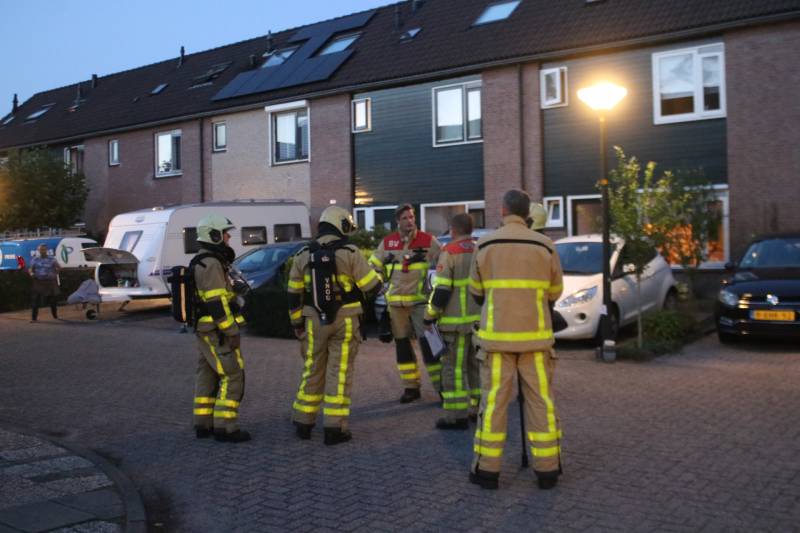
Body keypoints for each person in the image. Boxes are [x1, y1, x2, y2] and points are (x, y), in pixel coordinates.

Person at [468, 189, 564, 491]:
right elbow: (555, 292)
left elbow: (476, 292)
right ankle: (547, 471)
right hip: (536, 341)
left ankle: (487, 472)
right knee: (541, 403)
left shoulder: (485, 244)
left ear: (503, 210)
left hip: (497, 343)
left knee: (494, 404)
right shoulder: (546, 246)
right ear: (527, 213)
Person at [287, 206, 381, 445]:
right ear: (340, 224)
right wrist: (379, 275)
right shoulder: (350, 252)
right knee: (338, 374)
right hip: (346, 319)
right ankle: (334, 427)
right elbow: (372, 287)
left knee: (312, 369)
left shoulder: (302, 254)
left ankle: (303, 422)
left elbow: (292, 294)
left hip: (312, 320)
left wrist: (296, 322)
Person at [369, 204, 442, 403]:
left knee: (431, 347)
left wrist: (439, 287)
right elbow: (372, 265)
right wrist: (378, 282)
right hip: (396, 307)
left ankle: (443, 388)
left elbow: (445, 262)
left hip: (420, 305)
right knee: (403, 349)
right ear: (397, 221)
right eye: (405, 218)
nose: (410, 221)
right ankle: (411, 388)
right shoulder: (388, 243)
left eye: (412, 217)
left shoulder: (428, 241)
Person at [191, 214, 250, 443]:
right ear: (213, 235)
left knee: (207, 373)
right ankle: (226, 427)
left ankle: (202, 423)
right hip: (216, 331)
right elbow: (215, 303)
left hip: (206, 329)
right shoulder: (211, 263)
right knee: (232, 374)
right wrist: (232, 331)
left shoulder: (205, 260)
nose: (228, 237)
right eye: (225, 233)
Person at [423, 213, 481, 430]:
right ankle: (478, 410)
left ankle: (456, 417)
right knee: (476, 368)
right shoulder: (479, 250)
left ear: (453, 230)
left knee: (453, 370)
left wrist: (430, 316)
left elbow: (442, 289)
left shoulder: (450, 252)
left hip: (454, 325)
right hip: (477, 324)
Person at [29, 243, 60, 322]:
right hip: (38, 281)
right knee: (35, 300)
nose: (42, 251)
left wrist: (55, 273)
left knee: (52, 300)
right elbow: (31, 269)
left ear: (46, 250)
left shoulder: (52, 259)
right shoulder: (35, 259)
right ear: (38, 250)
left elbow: (58, 267)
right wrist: (32, 273)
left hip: (50, 282)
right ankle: (34, 318)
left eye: (44, 249)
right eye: (40, 250)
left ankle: (55, 315)